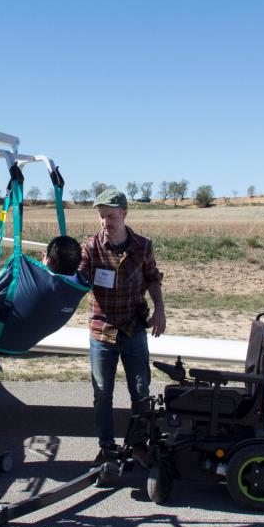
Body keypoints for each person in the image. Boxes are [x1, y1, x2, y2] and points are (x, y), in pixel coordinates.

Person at [78, 189, 165, 462]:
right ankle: (106, 447)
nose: (106, 222)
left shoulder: (143, 246)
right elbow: (76, 279)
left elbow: (152, 278)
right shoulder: (90, 248)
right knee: (102, 393)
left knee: (140, 391)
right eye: (102, 217)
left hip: (133, 330)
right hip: (101, 332)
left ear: (125, 214)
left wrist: (160, 310)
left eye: (111, 216)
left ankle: (139, 445)